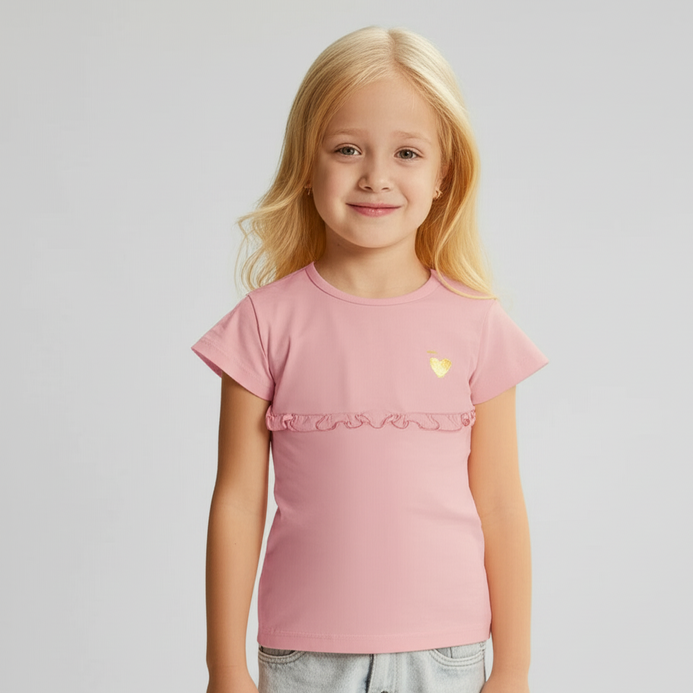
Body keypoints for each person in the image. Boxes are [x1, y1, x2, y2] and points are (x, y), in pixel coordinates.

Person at [191, 25, 548, 693]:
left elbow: (500, 503)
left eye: (407, 152)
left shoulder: (478, 325)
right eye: (347, 148)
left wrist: (514, 669)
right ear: (306, 163)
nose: (376, 177)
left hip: (446, 657)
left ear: (443, 175)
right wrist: (225, 668)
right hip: (302, 659)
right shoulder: (264, 323)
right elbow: (237, 500)